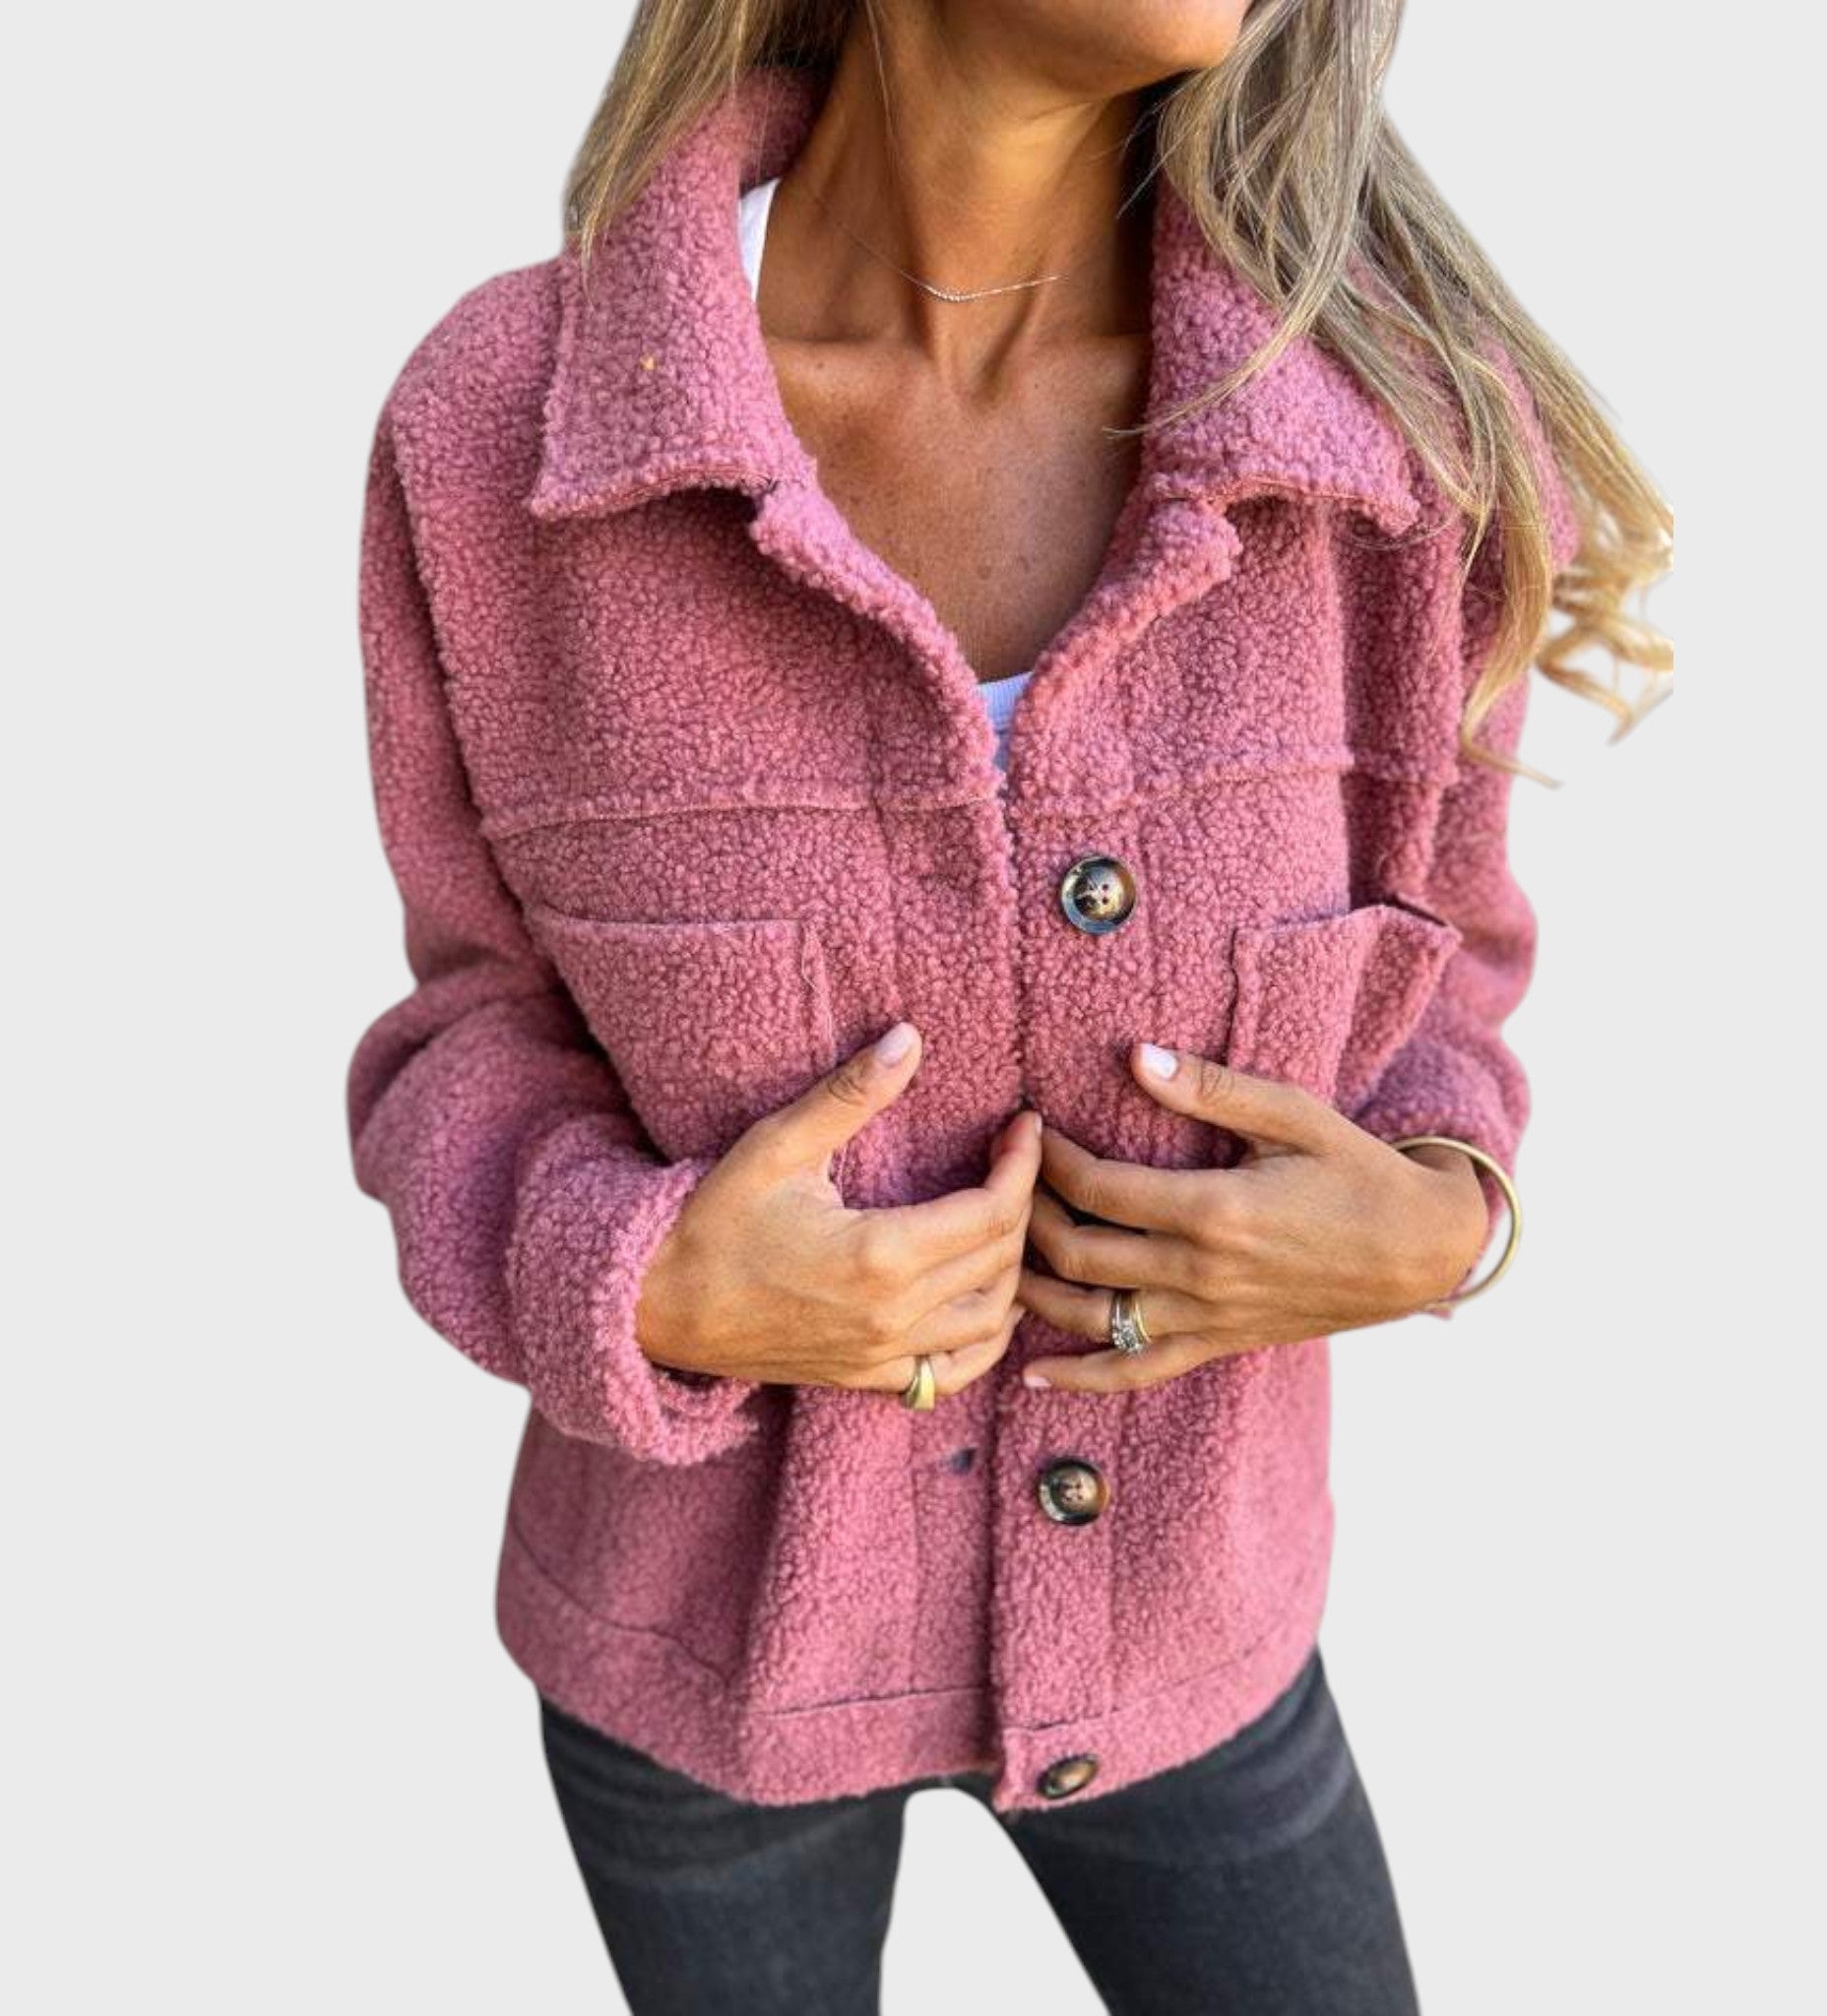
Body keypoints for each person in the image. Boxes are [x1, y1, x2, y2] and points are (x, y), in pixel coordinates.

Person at [345, 4, 1671, 2008]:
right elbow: (468, 1032)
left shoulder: (1393, 442)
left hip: (1198, 1628)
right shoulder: (504, 432)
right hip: (692, 1667)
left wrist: (1445, 1216)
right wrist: (644, 1280)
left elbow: (1448, 965)